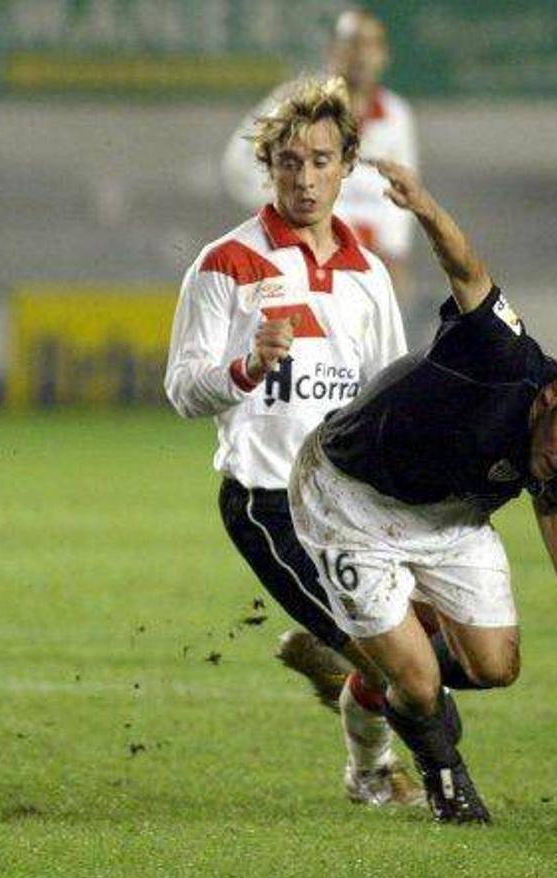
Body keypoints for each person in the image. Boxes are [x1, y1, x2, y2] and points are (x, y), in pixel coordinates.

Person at [288, 159, 557, 823]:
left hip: (445, 515)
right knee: (422, 683)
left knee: (494, 665)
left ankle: (367, 660)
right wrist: (424, 206)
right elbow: (467, 267)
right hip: (348, 496)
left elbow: (554, 500)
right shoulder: (501, 357)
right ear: (552, 394)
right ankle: (445, 783)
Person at [166, 76, 421, 806]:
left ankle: (334, 672)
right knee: (389, 657)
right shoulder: (225, 264)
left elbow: (386, 399)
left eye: (320, 161)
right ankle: (375, 776)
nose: (305, 179)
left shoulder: (367, 275)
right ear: (269, 166)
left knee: (408, 649)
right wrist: (246, 368)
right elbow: (183, 390)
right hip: (268, 498)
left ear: (348, 166)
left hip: (352, 503)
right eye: (289, 162)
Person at [221, 7, 418, 299]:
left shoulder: (395, 115)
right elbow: (238, 165)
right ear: (332, 50)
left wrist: (395, 252)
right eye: (353, 43)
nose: (362, 55)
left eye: (371, 45)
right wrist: (284, 214)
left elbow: (402, 194)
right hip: (299, 266)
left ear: (384, 55)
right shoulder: (295, 102)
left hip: (366, 274)